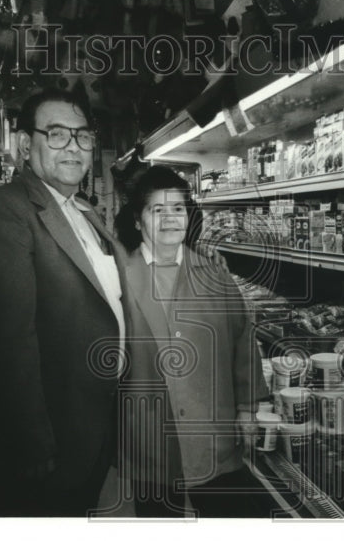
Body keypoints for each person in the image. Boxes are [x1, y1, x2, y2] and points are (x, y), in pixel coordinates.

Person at [0, 89, 125, 516]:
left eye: (83, 136)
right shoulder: (10, 208)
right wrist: (30, 439)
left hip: (97, 423)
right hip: (55, 435)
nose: (73, 146)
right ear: (25, 144)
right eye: (56, 134)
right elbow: (6, 336)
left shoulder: (86, 212)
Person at [114, 165, 273, 518]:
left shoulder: (214, 273)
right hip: (148, 432)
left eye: (178, 209)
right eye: (158, 210)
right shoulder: (118, 276)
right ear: (138, 221)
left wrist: (247, 409)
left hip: (212, 427)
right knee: (160, 527)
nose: (170, 218)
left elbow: (242, 341)